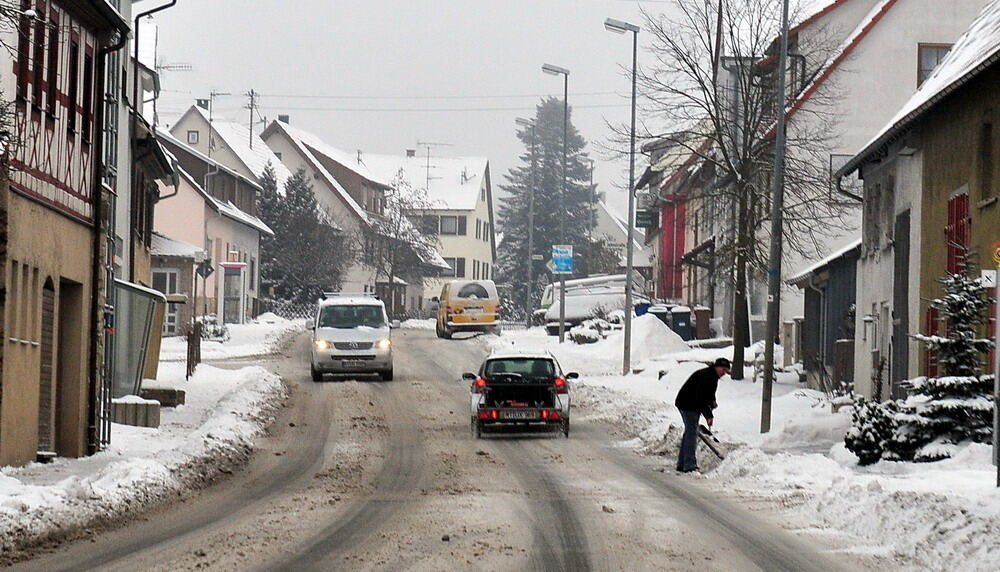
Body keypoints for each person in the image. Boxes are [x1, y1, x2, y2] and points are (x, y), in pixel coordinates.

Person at [674, 357, 731, 473]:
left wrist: (712, 402)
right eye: (723, 369)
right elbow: (701, 397)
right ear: (717, 367)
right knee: (691, 432)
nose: (724, 372)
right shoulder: (707, 376)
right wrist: (708, 416)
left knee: (690, 432)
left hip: (690, 403)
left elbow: (709, 394)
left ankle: (682, 463)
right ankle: (689, 465)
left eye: (726, 370)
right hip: (688, 404)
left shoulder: (712, 376)